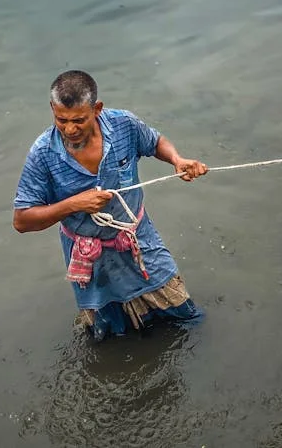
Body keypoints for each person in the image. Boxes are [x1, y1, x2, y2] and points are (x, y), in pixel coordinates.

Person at [13, 70, 208, 341]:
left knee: (187, 316)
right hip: (91, 258)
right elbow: (22, 221)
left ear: (97, 109)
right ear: (52, 110)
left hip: (138, 241)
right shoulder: (43, 154)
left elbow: (154, 142)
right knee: (109, 336)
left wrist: (177, 159)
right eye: (61, 120)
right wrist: (73, 204)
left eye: (79, 120)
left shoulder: (123, 125)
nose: (70, 129)